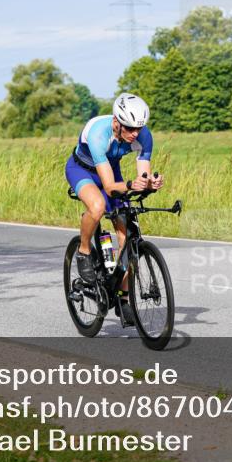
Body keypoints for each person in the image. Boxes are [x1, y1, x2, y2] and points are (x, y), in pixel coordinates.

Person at [64, 93, 164, 324]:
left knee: (127, 234)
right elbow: (109, 187)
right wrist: (130, 185)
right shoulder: (100, 134)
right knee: (97, 207)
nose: (135, 134)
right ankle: (84, 250)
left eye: (138, 128)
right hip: (83, 171)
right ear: (116, 122)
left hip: (111, 169)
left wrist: (150, 183)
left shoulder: (143, 136)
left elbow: (143, 174)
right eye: (129, 128)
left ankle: (123, 296)